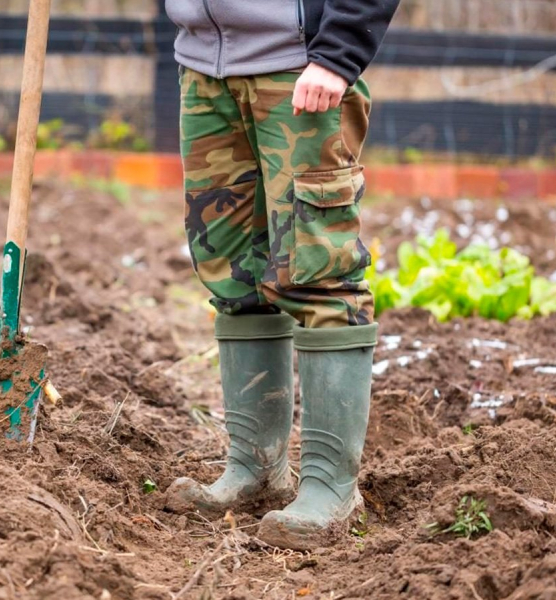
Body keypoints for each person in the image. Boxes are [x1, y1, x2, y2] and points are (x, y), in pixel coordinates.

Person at [163, 0, 400, 549]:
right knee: (232, 275)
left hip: (300, 70)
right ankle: (254, 468)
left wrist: (338, 55)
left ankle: (330, 486)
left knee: (318, 270)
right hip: (204, 68)